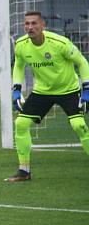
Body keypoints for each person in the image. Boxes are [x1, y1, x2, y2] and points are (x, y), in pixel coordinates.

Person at [6, 11, 89, 182]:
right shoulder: (21, 44)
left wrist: (86, 89)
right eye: (27, 24)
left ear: (43, 25)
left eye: (34, 23)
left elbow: (82, 61)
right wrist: (16, 89)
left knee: (78, 124)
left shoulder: (59, 43)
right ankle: (24, 171)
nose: (30, 27)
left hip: (69, 90)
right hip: (42, 91)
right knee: (21, 123)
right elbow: (19, 66)